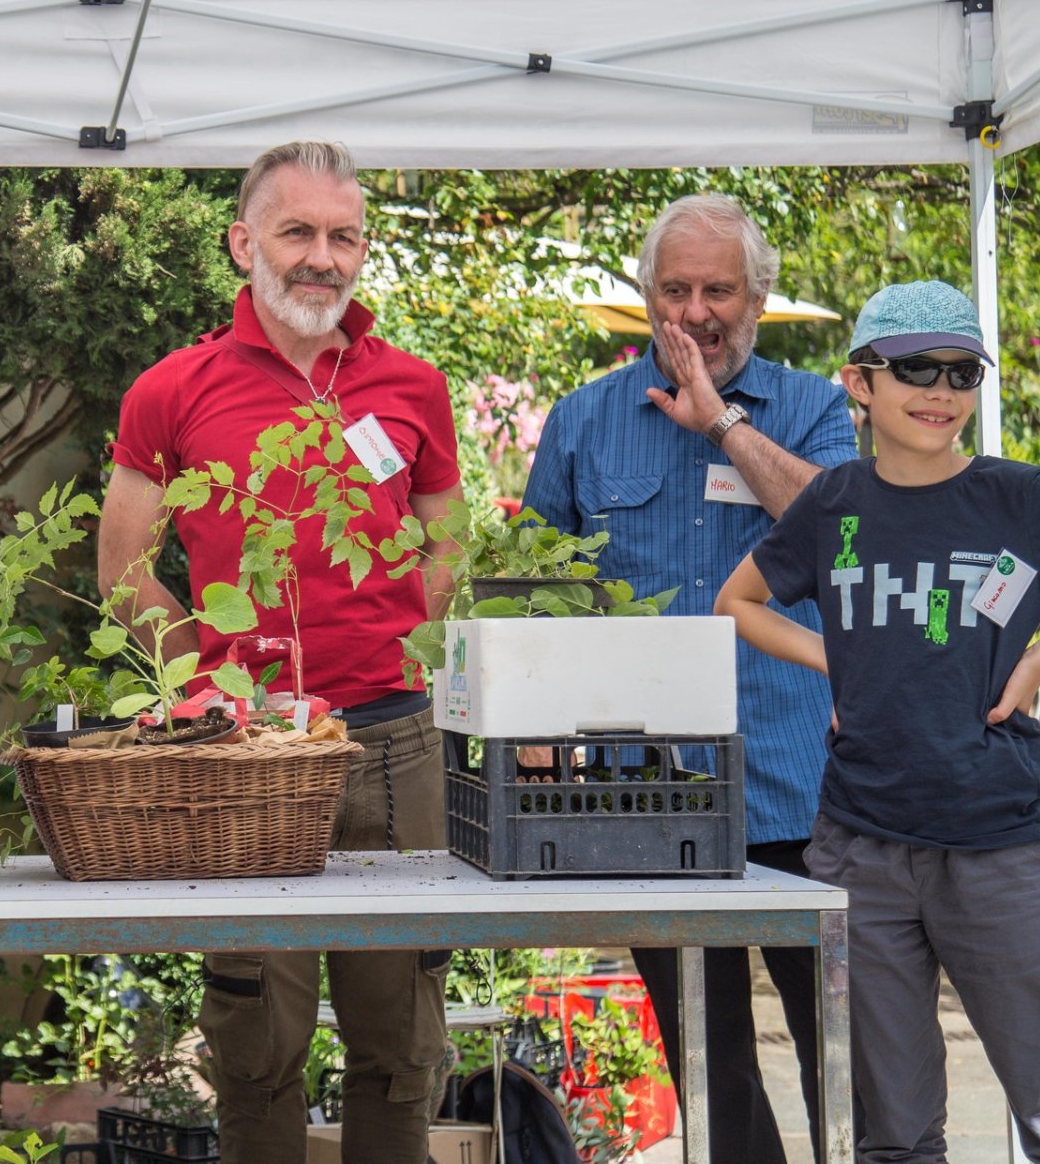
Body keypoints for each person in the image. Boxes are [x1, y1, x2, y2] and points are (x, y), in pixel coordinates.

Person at [100, 140, 464, 1164]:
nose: (323, 257)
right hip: (244, 752)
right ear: (243, 241)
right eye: (298, 231)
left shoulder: (412, 385)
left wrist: (402, 633)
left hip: (394, 743)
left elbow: (448, 534)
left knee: (401, 1039)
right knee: (256, 1036)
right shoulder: (173, 389)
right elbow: (123, 565)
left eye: (344, 235)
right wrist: (205, 679)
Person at [718, 279, 1040, 1163]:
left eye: (963, 370)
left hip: (1000, 848)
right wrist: (840, 659)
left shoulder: (1017, 498)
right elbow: (738, 603)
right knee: (895, 1136)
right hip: (862, 850)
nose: (943, 391)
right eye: (917, 369)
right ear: (859, 384)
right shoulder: (833, 504)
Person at [521, 194, 854, 1163]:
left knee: (842, 1042)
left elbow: (839, 532)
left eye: (719, 289)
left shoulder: (814, 409)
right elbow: (538, 596)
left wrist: (723, 427)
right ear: (647, 295)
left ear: (758, 294)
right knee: (711, 1062)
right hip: (647, 791)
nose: (697, 311)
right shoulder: (584, 420)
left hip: (802, 781)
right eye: (677, 288)